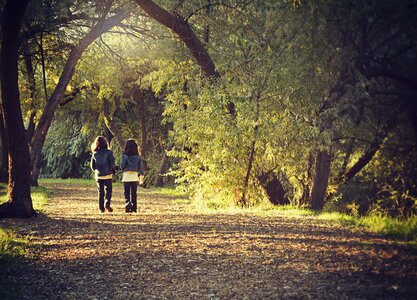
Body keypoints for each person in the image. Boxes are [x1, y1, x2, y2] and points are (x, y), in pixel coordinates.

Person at [90, 136, 117, 213]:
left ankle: (101, 209)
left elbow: (92, 167)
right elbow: (112, 164)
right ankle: (107, 202)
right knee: (109, 190)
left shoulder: (95, 154)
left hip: (99, 176)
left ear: (96, 144)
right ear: (105, 143)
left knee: (100, 192)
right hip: (108, 175)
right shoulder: (109, 152)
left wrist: (97, 170)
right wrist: (114, 170)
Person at [120, 139, 143, 213]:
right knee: (134, 193)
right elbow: (140, 167)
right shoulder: (138, 157)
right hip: (134, 176)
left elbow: (122, 166)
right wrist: (141, 174)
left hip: (126, 176)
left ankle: (127, 203)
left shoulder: (125, 156)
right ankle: (134, 208)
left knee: (126, 192)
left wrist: (121, 169)